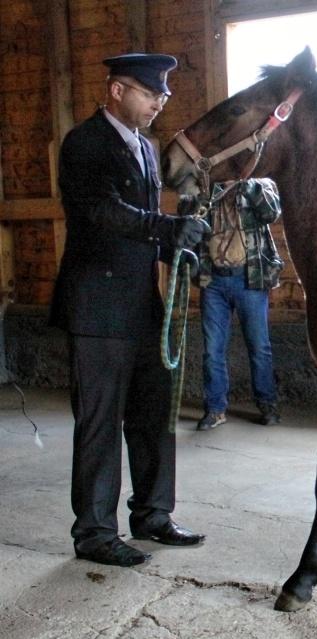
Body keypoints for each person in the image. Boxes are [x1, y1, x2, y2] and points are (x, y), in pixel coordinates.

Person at [50, 53, 209, 566]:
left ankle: (153, 514)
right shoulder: (84, 143)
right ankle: (95, 533)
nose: (159, 103)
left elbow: (144, 227)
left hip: (141, 306)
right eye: (149, 93)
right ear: (117, 91)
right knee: (100, 423)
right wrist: (163, 229)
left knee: (153, 415)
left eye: (162, 96)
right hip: (96, 309)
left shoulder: (146, 147)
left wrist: (178, 246)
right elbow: (101, 212)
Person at [184, 179, 284, 431]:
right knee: (212, 350)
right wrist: (196, 197)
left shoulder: (258, 186)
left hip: (249, 279)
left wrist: (249, 187)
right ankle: (215, 409)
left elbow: (271, 212)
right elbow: (185, 216)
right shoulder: (205, 192)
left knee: (259, 347)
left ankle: (267, 404)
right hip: (213, 280)